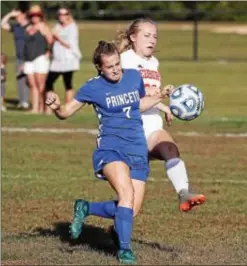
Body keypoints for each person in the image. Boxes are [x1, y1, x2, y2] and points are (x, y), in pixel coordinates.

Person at [45, 40, 170, 264]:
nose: (115, 69)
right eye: (109, 66)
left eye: (117, 64)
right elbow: (65, 112)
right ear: (99, 68)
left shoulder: (133, 77)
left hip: (137, 148)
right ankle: (124, 250)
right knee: (126, 195)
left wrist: (161, 97)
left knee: (130, 209)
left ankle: (86, 207)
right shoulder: (92, 87)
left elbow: (138, 104)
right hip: (111, 148)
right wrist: (55, 106)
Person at [115, 18, 206, 212]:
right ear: (133, 37)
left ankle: (184, 193)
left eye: (155, 36)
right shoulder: (125, 60)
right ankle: (92, 212)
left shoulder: (153, 62)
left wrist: (164, 106)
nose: (152, 40)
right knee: (131, 207)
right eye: (147, 35)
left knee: (170, 149)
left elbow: (150, 92)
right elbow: (127, 94)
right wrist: (159, 95)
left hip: (152, 126)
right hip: (131, 131)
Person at [45, 7, 82, 113]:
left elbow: (69, 44)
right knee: (49, 82)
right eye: (60, 14)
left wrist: (57, 37)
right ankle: (50, 106)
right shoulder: (57, 26)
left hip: (68, 59)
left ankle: (68, 108)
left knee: (67, 83)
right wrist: (49, 49)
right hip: (57, 59)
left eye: (64, 14)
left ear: (68, 15)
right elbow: (52, 40)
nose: (62, 16)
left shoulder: (72, 27)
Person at [23, 5, 53, 114]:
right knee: (32, 85)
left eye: (37, 15)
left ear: (40, 16)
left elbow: (50, 41)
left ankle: (46, 108)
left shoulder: (43, 27)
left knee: (41, 85)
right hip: (28, 59)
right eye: (32, 15)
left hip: (40, 58)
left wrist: (48, 51)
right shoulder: (27, 27)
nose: (34, 17)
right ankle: (35, 108)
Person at [1, 8, 30, 110]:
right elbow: (2, 24)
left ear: (23, 15)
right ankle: (22, 101)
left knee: (29, 81)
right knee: (20, 80)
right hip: (19, 58)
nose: (16, 17)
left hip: (29, 57)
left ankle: (27, 101)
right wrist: (10, 14)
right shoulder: (16, 27)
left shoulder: (30, 26)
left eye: (17, 16)